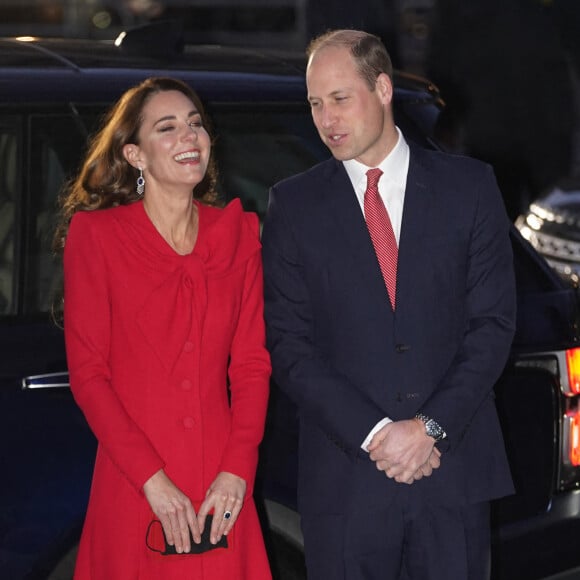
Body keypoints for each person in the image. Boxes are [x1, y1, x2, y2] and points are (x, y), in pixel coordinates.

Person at [261, 30, 516, 580]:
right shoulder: (294, 204)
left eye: (339, 98)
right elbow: (289, 345)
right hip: (347, 483)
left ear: (381, 88)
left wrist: (429, 428)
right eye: (314, 103)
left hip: (453, 473)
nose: (326, 119)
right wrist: (378, 434)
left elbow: (492, 325)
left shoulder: (469, 187)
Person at [55, 76, 272, 579]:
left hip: (222, 485)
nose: (189, 137)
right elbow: (88, 374)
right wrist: (151, 480)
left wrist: (238, 470)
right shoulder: (96, 237)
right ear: (135, 155)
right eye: (168, 128)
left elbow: (252, 365)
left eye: (195, 124)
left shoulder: (238, 235)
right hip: (136, 482)